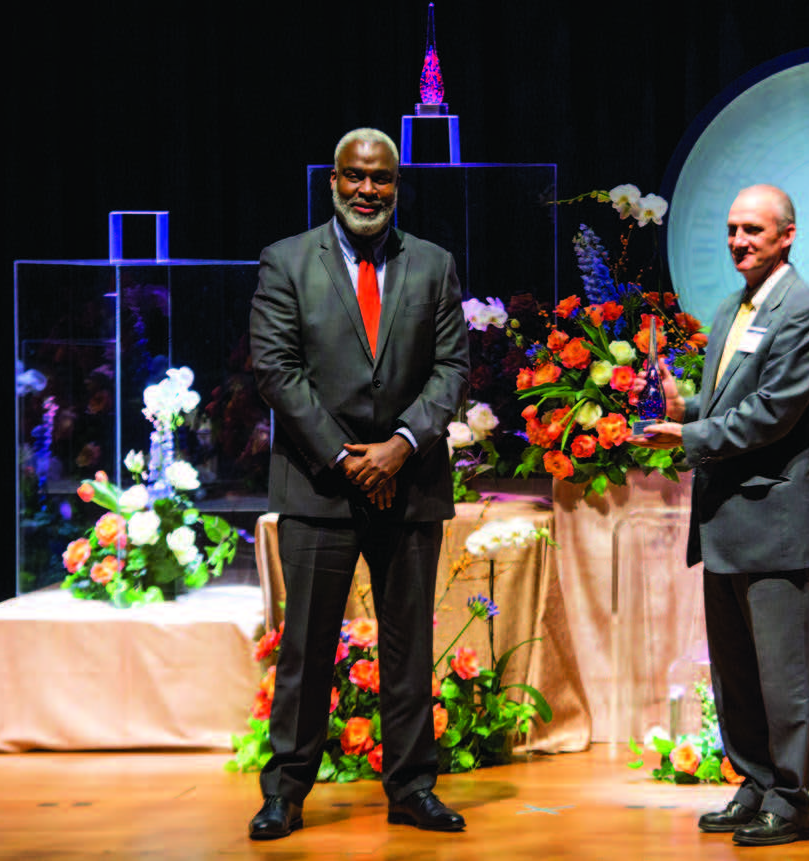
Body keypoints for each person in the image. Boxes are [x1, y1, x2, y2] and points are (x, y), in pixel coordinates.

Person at [247, 127, 469, 840]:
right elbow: (278, 372)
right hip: (320, 486)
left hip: (410, 483)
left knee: (410, 645)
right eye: (355, 176)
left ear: (396, 186)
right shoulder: (286, 262)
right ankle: (285, 791)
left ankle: (410, 786)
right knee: (307, 647)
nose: (368, 190)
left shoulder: (432, 264)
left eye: (382, 179)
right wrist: (349, 459)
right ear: (333, 181)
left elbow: (452, 370)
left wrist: (401, 445)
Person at [632, 184, 809, 847]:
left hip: (774, 520)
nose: (738, 240)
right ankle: (754, 783)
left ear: (787, 235)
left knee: (784, 673)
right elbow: (729, 399)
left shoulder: (802, 311)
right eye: (731, 229)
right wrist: (684, 407)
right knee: (738, 672)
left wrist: (688, 439)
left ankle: (790, 799)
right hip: (727, 520)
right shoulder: (734, 307)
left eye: (753, 229)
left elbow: (772, 414)